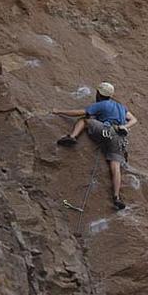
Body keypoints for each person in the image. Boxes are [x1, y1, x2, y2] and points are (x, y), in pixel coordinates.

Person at [54, 82, 138, 210]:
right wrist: (123, 127)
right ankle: (116, 197)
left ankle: (72, 137)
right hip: (119, 138)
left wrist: (59, 111)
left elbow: (81, 112)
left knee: (84, 120)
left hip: (106, 131)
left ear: (99, 94)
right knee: (115, 167)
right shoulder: (121, 107)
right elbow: (134, 119)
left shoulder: (101, 104)